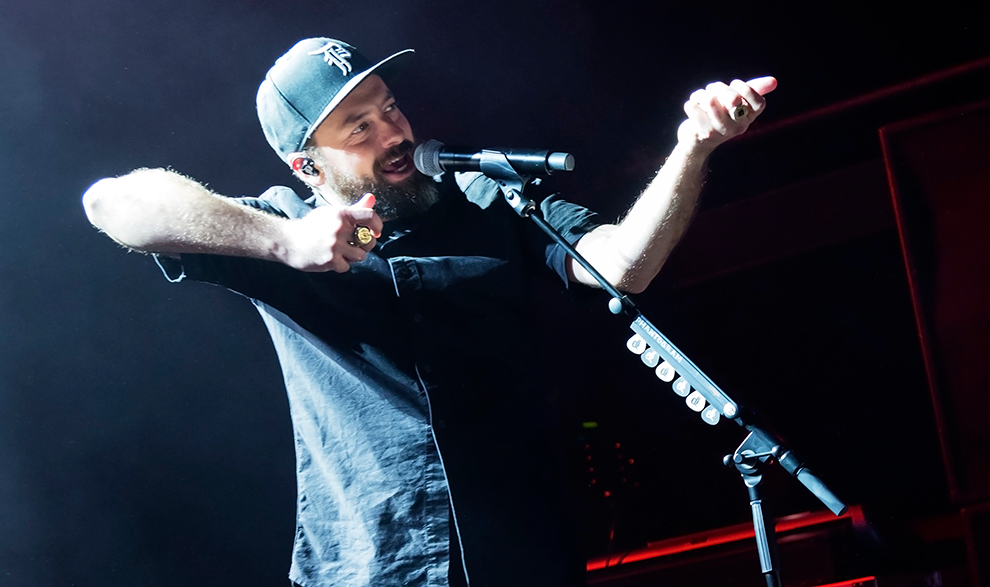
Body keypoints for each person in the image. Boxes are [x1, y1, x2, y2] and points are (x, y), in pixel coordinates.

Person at [82, 36, 776, 587]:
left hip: (524, 559)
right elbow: (110, 203)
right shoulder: (282, 225)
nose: (391, 132)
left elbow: (624, 263)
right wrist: (282, 242)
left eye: (390, 108)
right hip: (371, 565)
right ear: (306, 166)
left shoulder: (487, 200)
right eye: (358, 127)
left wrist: (694, 148)